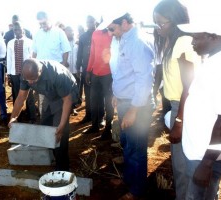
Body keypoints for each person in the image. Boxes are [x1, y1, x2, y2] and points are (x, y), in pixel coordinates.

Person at [99, 11, 154, 199]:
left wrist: (133, 109)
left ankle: (137, 189)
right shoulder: (122, 39)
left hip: (137, 105)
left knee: (136, 148)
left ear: (124, 23)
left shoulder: (137, 42)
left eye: (111, 29)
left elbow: (144, 79)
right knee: (128, 145)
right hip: (125, 102)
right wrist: (117, 94)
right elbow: (121, 71)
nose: (110, 33)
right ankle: (129, 180)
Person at [177, 2, 221, 199]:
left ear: (214, 37)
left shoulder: (220, 68)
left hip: (204, 156)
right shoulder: (212, 60)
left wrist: (206, 163)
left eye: (196, 37)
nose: (192, 43)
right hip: (200, 151)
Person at [153, 1, 200, 199]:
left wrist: (179, 121)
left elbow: (189, 86)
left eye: (161, 23)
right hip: (178, 106)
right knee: (180, 165)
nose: (158, 28)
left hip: (185, 107)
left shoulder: (183, 42)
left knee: (184, 166)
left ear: (174, 22)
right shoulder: (173, 42)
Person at [8, 59, 79, 171]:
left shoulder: (57, 75)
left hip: (66, 95)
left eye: (33, 79)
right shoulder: (26, 74)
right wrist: (13, 117)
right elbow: (21, 97)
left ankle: (62, 169)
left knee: (58, 134)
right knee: (45, 126)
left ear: (40, 71)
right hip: (49, 94)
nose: (30, 83)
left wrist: (61, 125)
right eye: (28, 80)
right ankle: (51, 156)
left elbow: (67, 99)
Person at [32, 11, 71, 115]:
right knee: (43, 99)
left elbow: (66, 50)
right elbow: (34, 53)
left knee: (58, 98)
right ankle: (44, 121)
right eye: (40, 24)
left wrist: (63, 66)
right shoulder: (37, 34)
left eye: (44, 23)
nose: (42, 26)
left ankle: (59, 124)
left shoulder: (59, 32)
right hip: (41, 73)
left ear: (49, 20)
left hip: (56, 72)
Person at [83, 27, 113, 140]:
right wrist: (88, 71)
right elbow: (92, 53)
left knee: (108, 102)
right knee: (94, 100)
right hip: (95, 73)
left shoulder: (113, 33)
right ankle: (95, 125)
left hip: (109, 73)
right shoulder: (95, 33)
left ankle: (108, 128)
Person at [6, 21, 36, 123]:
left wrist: (32, 73)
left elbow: (32, 58)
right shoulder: (10, 43)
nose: (17, 31)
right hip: (14, 73)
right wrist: (9, 75)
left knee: (29, 95)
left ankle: (32, 116)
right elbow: (9, 59)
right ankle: (16, 117)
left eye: (18, 29)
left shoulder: (30, 42)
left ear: (22, 29)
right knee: (16, 95)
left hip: (27, 73)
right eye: (15, 30)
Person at [76, 15, 97, 124]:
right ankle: (88, 115)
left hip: (97, 69)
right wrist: (78, 66)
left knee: (98, 94)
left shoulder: (100, 34)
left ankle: (99, 117)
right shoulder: (83, 37)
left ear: (95, 21)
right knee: (88, 94)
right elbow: (79, 53)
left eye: (91, 21)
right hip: (85, 69)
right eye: (87, 22)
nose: (89, 24)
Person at [64, 26, 80, 116]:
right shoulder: (62, 43)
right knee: (66, 90)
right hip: (65, 71)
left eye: (72, 31)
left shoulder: (77, 42)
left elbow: (79, 55)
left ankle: (73, 108)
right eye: (68, 31)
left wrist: (79, 69)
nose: (71, 33)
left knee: (75, 90)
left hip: (75, 70)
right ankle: (66, 109)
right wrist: (64, 62)